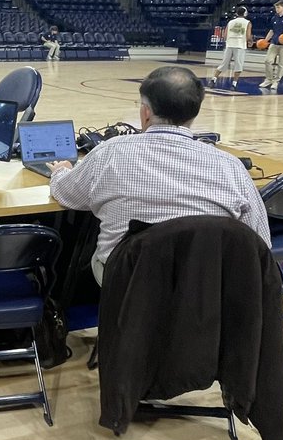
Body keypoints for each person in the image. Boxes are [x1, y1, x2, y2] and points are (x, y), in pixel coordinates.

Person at [49, 65, 270, 284]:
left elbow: (67, 194)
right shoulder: (231, 167)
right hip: (204, 287)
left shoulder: (109, 153)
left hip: (129, 283)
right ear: (194, 112)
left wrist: (61, 172)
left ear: (145, 112)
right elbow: (261, 243)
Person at [210, 4, 251, 89]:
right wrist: (250, 41)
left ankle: (213, 79)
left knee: (223, 64)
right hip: (240, 46)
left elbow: (224, 35)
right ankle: (234, 83)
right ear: (245, 13)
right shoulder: (247, 23)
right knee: (238, 66)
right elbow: (248, 35)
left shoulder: (230, 22)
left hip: (229, 45)